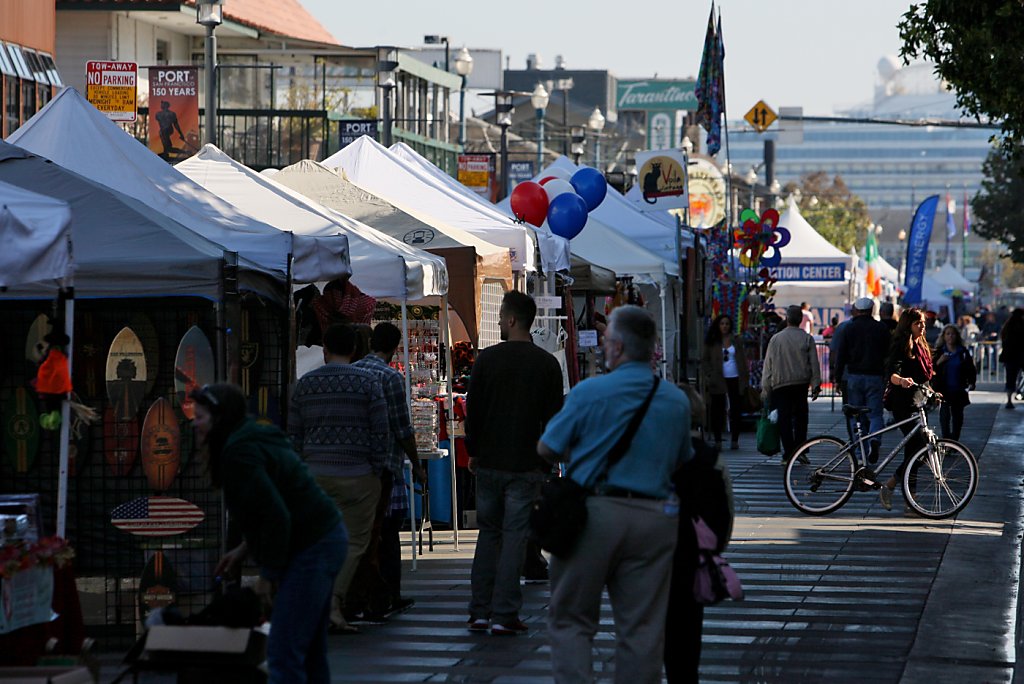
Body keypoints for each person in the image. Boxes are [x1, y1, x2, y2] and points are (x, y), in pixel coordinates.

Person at [538, 305, 691, 684]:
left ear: (618, 347)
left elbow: (546, 448)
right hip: (655, 518)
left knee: (572, 619)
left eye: (607, 342)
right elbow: (680, 460)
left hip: (594, 514)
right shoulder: (676, 401)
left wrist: (582, 452)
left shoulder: (591, 392)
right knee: (642, 629)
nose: (605, 347)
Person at [194, 383, 346, 683]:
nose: (194, 424)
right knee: (310, 652)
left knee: (283, 652)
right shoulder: (254, 435)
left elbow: (276, 515)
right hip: (326, 536)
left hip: (312, 546)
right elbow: (275, 503)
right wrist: (244, 549)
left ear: (219, 418)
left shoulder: (238, 452)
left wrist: (267, 575)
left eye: (199, 416)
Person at [465, 291, 563, 636]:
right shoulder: (547, 364)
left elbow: (472, 411)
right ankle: (504, 613)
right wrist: (550, 460)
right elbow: (555, 419)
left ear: (510, 320)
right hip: (527, 463)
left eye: (500, 317)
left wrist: (474, 451)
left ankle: (479, 610)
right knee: (514, 537)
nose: (498, 323)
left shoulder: (486, 361)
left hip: (489, 461)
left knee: (488, 534)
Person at [288, 323, 389, 634]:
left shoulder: (305, 384)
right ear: (356, 350)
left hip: (314, 477)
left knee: (316, 540)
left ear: (325, 350)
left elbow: (293, 434)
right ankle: (333, 600)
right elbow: (380, 432)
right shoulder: (369, 383)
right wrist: (376, 467)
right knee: (355, 541)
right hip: (359, 476)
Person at [350, 322, 427, 619]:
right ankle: (387, 595)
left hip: (355, 465)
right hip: (383, 466)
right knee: (388, 532)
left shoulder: (353, 371)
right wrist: (417, 466)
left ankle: (359, 595)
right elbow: (402, 427)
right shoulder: (391, 377)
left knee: (362, 533)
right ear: (394, 348)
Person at [664, 384, 733, 684]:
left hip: (658, 553)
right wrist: (715, 547)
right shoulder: (711, 458)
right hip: (695, 557)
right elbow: (726, 510)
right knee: (690, 632)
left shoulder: (655, 455)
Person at [878, 308, 934, 512]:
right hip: (903, 403)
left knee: (915, 451)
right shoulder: (902, 345)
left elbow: (925, 377)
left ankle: (908, 497)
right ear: (907, 325)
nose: (922, 326)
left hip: (918, 403)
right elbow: (892, 372)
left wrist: (933, 391)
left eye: (923, 322)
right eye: (918, 323)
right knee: (920, 450)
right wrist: (901, 380)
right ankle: (894, 487)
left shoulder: (922, 346)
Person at [831, 298, 891, 463]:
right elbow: (888, 355)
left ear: (857, 310)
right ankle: (875, 439)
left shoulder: (849, 328)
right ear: (872, 310)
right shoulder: (881, 328)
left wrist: (837, 377)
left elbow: (841, 354)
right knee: (875, 414)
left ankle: (860, 452)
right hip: (875, 376)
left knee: (855, 416)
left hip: (854, 376)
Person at [761, 305, 821, 460]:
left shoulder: (776, 339)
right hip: (800, 384)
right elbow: (814, 363)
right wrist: (816, 384)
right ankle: (800, 450)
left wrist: (766, 388)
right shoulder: (807, 338)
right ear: (801, 319)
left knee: (784, 419)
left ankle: (788, 453)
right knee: (801, 419)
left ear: (787, 318)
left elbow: (768, 365)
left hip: (781, 384)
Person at [700, 314, 748, 450]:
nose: (725, 326)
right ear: (718, 325)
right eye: (722, 324)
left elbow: (743, 359)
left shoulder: (736, 340)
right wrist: (709, 374)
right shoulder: (712, 341)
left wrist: (745, 378)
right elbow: (705, 360)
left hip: (735, 378)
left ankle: (735, 440)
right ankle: (718, 440)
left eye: (727, 324)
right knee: (717, 410)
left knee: (736, 410)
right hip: (718, 379)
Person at [930, 325, 977, 440]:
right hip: (944, 389)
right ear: (944, 336)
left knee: (958, 417)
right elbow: (931, 369)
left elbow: (971, 368)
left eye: (953, 334)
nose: (951, 336)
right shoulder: (940, 352)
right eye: (948, 334)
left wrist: (972, 382)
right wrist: (939, 362)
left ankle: (954, 440)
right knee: (945, 416)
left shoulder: (963, 352)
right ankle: (946, 440)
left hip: (959, 388)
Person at [1000, 309, 1024, 409]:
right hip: (1021, 356)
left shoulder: (1007, 327)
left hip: (1009, 357)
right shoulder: (1022, 327)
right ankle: (1020, 393)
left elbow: (1003, 341)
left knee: (1010, 379)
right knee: (1019, 377)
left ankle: (1009, 400)